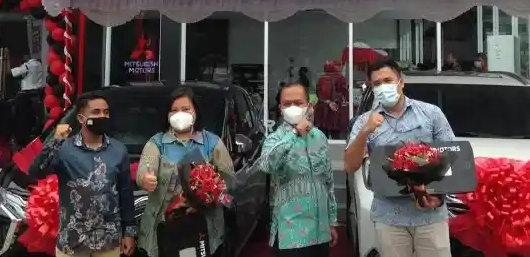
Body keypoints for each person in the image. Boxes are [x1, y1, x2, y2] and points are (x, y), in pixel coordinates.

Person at [344, 59, 456, 257]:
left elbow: (451, 157)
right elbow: (350, 166)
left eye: (388, 80)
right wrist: (365, 132)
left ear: (401, 82)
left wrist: (437, 197)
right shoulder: (364, 122)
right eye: (377, 83)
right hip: (389, 218)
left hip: (430, 215)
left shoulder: (431, 114)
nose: (383, 86)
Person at [29, 92, 136, 257]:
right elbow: (36, 171)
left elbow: (125, 192)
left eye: (106, 112)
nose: (102, 116)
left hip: (108, 242)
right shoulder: (64, 149)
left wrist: (129, 232)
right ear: (81, 118)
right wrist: (55, 142)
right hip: (72, 242)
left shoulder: (118, 150)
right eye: (96, 112)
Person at [136, 86, 234, 257]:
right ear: (167, 115)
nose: (179, 114)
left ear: (195, 112)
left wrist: (212, 193)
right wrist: (146, 180)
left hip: (205, 231)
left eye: (185, 109)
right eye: (174, 110)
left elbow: (229, 187)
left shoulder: (212, 143)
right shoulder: (157, 143)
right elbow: (144, 172)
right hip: (165, 230)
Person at [257, 82, 338, 257]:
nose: (293, 107)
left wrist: (332, 222)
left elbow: (328, 181)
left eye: (298, 103)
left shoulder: (320, 138)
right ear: (280, 108)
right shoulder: (274, 139)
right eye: (287, 104)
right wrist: (294, 134)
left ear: (308, 106)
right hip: (291, 233)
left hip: (320, 230)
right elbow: (266, 165)